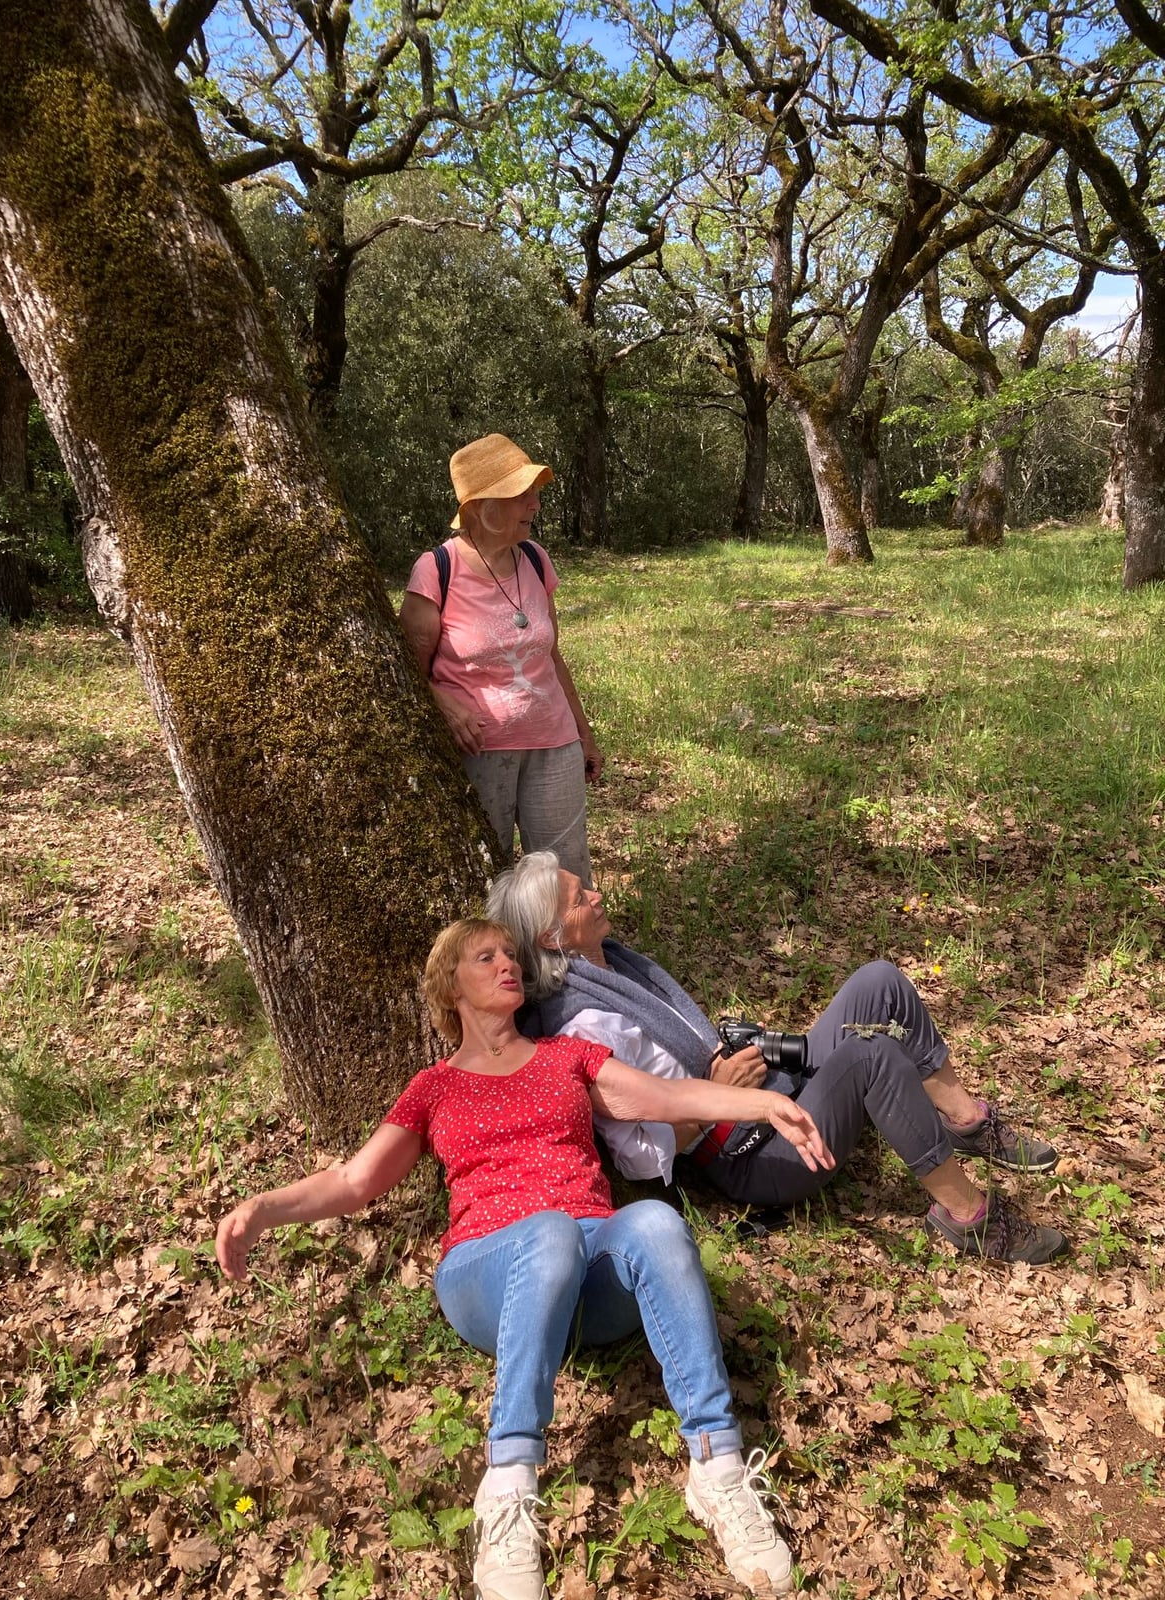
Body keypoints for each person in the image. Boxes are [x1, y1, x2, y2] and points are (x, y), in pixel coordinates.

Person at [216, 919, 831, 1599]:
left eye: (511, 955)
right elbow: (354, 1182)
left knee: (654, 1220)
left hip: (591, 1270)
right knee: (548, 1232)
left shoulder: (568, 1056)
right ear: (450, 986)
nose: (508, 965)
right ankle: (507, 1488)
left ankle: (717, 1471)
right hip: (487, 1273)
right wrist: (263, 1208)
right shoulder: (434, 1088)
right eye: (486, 957)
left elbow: (669, 1097)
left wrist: (765, 1102)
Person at [487, 853, 1070, 1266]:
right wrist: (718, 1094)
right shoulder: (586, 1023)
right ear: (549, 936)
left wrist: (733, 1068)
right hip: (750, 1155)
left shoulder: (615, 964)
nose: (595, 894)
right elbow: (639, 1157)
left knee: (879, 982)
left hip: (767, 1095)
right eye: (578, 897)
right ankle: (970, 1217)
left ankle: (966, 1122)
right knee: (872, 1054)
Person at [399, 434, 602, 885]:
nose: (535, 504)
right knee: (487, 878)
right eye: (521, 495)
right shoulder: (435, 571)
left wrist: (584, 735)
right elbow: (405, 671)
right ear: (479, 506)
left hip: (554, 745)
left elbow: (552, 656)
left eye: (534, 492)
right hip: (478, 752)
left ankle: (570, 957)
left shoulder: (535, 559)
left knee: (564, 881)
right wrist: (443, 704)